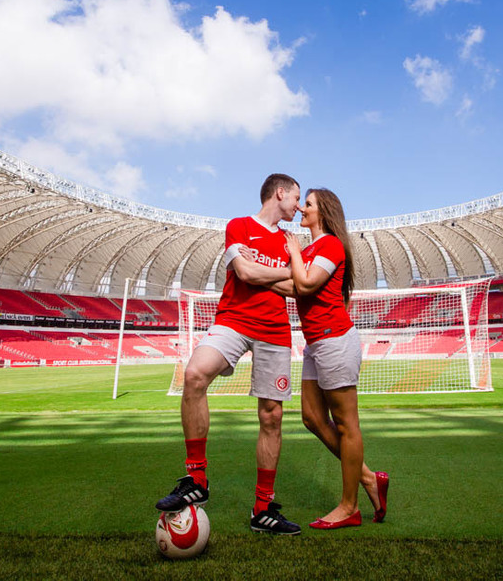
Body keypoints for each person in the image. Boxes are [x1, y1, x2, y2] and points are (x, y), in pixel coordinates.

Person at [155, 173, 303, 535]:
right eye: (296, 197)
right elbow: (245, 272)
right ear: (279, 193)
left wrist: (265, 271)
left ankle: (263, 508)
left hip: (274, 331)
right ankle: (197, 480)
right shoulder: (238, 226)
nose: (298, 206)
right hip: (233, 320)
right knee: (194, 375)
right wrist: (282, 270)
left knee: (271, 417)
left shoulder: (293, 241)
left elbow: (298, 288)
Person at [269, 187, 388, 529]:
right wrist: (254, 276)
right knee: (311, 418)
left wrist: (292, 250)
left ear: (324, 212)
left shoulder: (331, 245)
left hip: (335, 341)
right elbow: (293, 286)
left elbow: (305, 284)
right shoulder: (309, 250)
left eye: (307, 204)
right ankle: (368, 478)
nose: (302, 209)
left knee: (348, 425)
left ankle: (349, 506)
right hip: (315, 344)